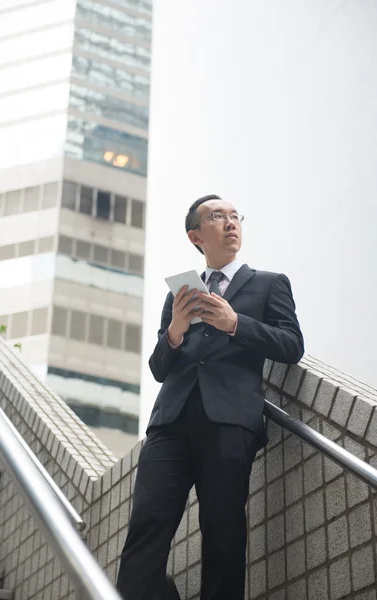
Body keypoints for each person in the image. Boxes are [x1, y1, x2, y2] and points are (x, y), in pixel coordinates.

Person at [117, 194, 304, 600]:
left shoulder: (270, 284)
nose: (230, 222)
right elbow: (158, 368)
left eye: (235, 216)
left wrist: (236, 323)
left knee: (223, 534)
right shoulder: (178, 295)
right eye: (218, 216)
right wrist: (175, 331)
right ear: (195, 236)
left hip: (230, 423)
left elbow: (292, 346)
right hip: (171, 424)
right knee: (145, 530)